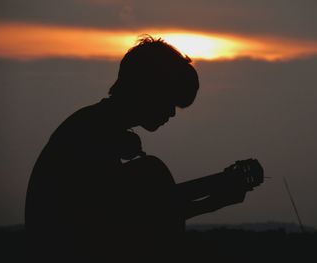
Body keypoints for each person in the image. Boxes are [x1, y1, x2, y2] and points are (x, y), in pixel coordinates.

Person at [25, 36, 263, 262]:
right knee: (152, 171)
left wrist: (215, 198)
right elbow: (125, 217)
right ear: (148, 90)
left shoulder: (95, 125)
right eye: (169, 101)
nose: (171, 113)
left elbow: (142, 212)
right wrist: (216, 195)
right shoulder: (92, 132)